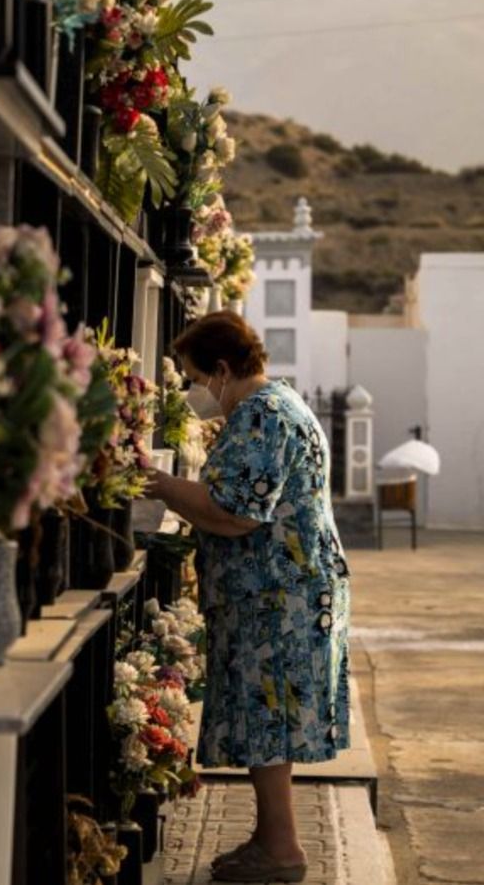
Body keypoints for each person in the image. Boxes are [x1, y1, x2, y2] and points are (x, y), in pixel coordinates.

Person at [145, 311, 350, 884]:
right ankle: (270, 839)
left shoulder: (262, 415)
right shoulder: (277, 405)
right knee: (268, 724)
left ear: (222, 368)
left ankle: (282, 851)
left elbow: (233, 512)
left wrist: (159, 484)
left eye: (192, 378)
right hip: (279, 591)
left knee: (269, 721)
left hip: (277, 596)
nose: (192, 393)